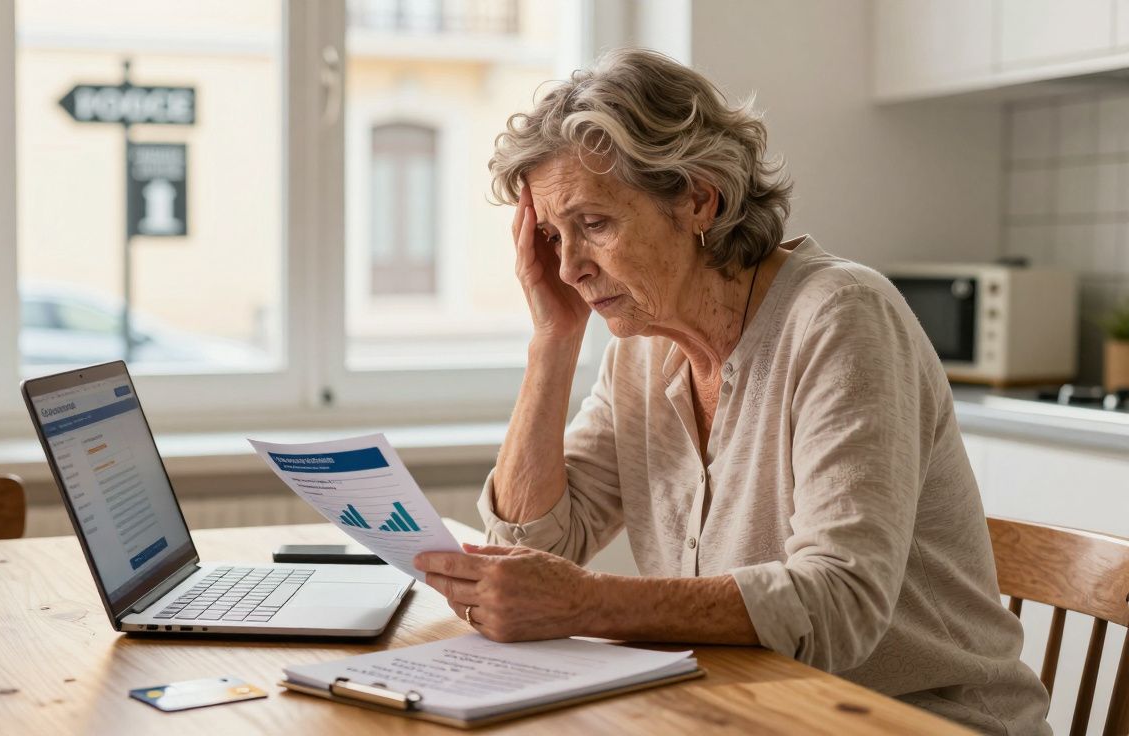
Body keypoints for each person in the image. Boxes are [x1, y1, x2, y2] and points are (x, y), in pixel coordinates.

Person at [413, 48, 1051, 733]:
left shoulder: (842, 316)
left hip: (914, 721)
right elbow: (534, 549)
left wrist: (586, 603)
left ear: (697, 198)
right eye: (549, 236)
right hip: (747, 712)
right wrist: (552, 343)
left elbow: (841, 604)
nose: (567, 267)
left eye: (593, 225)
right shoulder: (642, 352)